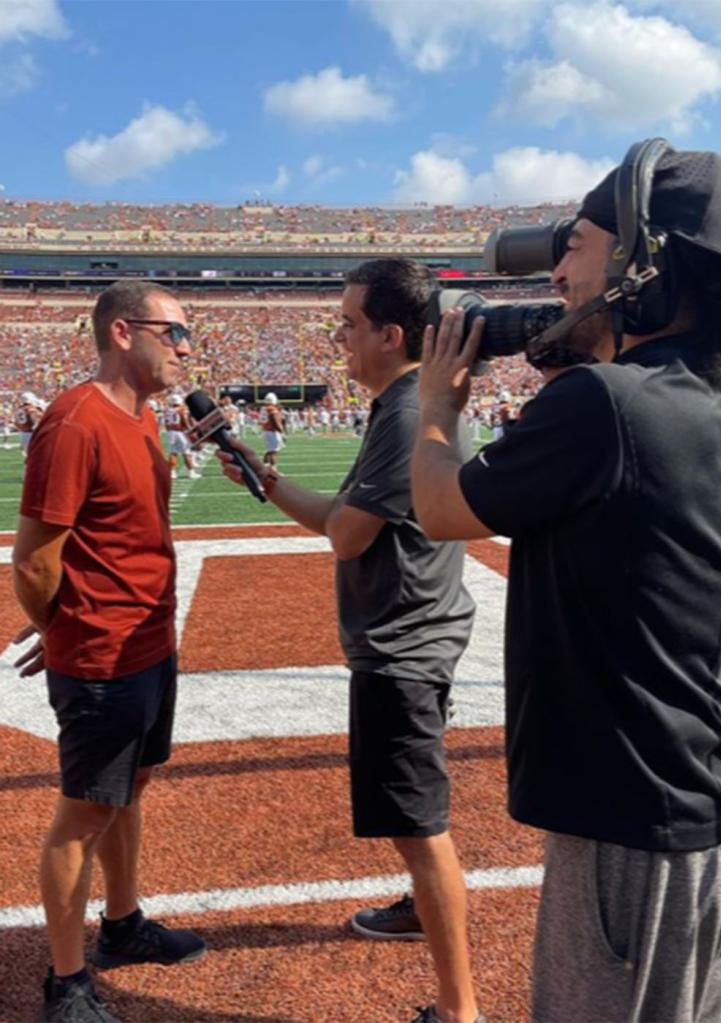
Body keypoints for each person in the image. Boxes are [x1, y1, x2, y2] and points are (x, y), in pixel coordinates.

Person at [410, 144, 721, 1022]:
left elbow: (441, 507)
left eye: (578, 244)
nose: (556, 270)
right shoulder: (693, 398)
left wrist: (437, 401)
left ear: (642, 260)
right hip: (690, 799)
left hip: (627, 819)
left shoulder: (606, 405)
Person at [218, 259, 483, 1023]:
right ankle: (418, 912)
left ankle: (459, 1010)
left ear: (389, 334)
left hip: (402, 645)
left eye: (346, 323)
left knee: (418, 826)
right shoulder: (398, 404)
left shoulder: (403, 410)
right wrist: (264, 484)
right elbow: (345, 516)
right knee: (413, 821)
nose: (337, 337)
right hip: (412, 635)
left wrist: (271, 489)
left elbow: (345, 533)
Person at [12, 281, 206, 1023]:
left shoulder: (145, 414)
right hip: (103, 653)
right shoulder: (75, 419)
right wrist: (66, 631)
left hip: (151, 641)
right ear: (124, 333)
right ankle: (66, 984)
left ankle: (121, 924)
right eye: (176, 333)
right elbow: (33, 559)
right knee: (84, 812)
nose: (186, 348)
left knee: (131, 786)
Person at [164, 392, 200, 480]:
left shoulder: (167, 410)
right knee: (187, 452)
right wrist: (190, 429)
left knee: (173, 452)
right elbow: (184, 420)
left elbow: (166, 423)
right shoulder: (181, 409)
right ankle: (191, 472)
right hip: (179, 432)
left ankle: (172, 472)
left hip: (170, 432)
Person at [259, 390, 286, 467]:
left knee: (269, 451)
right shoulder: (272, 409)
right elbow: (275, 420)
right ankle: (274, 470)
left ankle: (264, 466)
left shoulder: (263, 408)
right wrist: (282, 432)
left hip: (265, 431)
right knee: (273, 452)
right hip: (272, 432)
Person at [15, 390, 43, 459]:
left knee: (28, 457)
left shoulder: (19, 409)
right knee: (36, 457)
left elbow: (16, 422)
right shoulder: (30, 409)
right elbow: (34, 422)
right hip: (30, 434)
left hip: (22, 434)